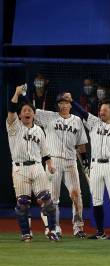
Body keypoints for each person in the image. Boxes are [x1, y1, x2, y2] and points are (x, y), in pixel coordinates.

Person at [7, 85, 59, 242]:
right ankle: (25, 233)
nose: (27, 112)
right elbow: (11, 109)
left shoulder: (39, 131)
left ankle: (52, 231)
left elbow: (45, 152)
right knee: (23, 204)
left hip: (37, 167)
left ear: (34, 115)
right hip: (19, 168)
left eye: (30, 111)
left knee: (48, 202)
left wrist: (49, 163)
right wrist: (16, 93)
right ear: (20, 115)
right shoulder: (14, 127)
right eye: (24, 111)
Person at [34, 92, 89, 238]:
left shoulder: (77, 120)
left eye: (66, 103)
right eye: (61, 103)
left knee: (76, 195)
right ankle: (54, 227)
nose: (64, 105)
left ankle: (78, 227)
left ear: (71, 105)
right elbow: (30, 111)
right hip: (54, 161)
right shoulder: (49, 116)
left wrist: (85, 163)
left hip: (71, 162)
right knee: (53, 198)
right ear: (58, 105)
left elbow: (81, 145)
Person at [75, 100, 110, 240]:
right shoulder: (94, 123)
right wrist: (72, 101)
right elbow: (82, 112)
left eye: (105, 110)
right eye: (101, 110)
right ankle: (100, 232)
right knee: (96, 199)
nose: (101, 112)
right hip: (95, 165)